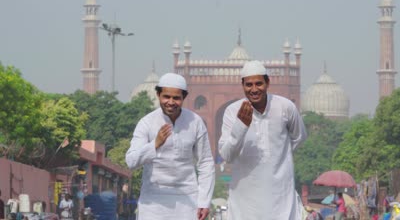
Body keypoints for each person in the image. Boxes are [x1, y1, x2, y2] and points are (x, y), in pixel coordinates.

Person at [218, 60, 308, 220]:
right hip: (245, 196)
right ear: (242, 85)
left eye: (258, 83)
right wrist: (240, 127)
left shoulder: (285, 107)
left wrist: (279, 155)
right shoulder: (232, 112)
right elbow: (227, 155)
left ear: (267, 83)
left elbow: (299, 137)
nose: (254, 89)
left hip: (279, 194)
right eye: (249, 85)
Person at [126, 73, 215, 220]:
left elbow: (205, 163)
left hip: (187, 200)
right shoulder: (147, 123)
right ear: (158, 95)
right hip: (153, 202)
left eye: (176, 98)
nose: (171, 102)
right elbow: (131, 161)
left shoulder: (195, 122)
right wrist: (155, 144)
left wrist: (204, 201)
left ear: (184, 98)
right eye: (166, 97)